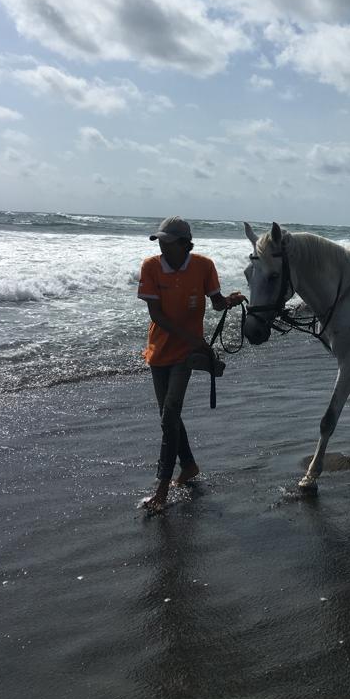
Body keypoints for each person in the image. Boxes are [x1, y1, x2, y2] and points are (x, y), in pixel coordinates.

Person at [137, 216, 245, 513]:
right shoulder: (150, 266)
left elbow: (216, 302)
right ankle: (189, 465)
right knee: (168, 415)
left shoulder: (204, 265)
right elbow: (156, 315)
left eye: (167, 242)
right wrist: (193, 338)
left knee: (169, 413)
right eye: (159, 240)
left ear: (185, 244)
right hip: (158, 352)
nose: (161, 246)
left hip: (185, 354)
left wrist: (231, 301)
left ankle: (161, 486)